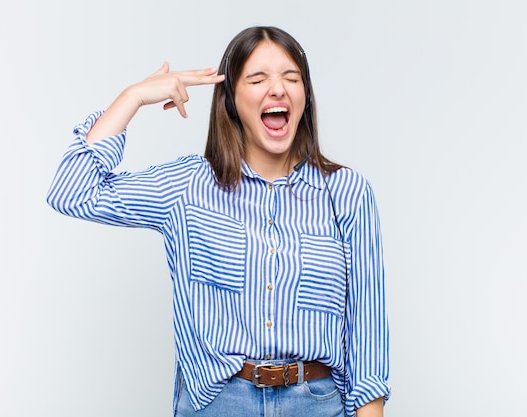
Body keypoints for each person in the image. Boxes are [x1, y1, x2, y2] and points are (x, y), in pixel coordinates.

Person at [47, 26, 390, 417]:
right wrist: (134, 96)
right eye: (258, 79)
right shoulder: (189, 186)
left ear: (305, 97)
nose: (277, 89)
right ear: (230, 100)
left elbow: (368, 330)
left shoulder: (347, 192)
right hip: (218, 404)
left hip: (317, 403)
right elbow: (71, 192)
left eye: (291, 79)